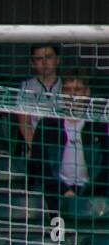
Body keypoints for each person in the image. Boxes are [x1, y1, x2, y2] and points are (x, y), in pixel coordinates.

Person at [27, 68, 109, 208]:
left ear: (86, 93)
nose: (71, 95)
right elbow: (40, 164)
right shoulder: (48, 125)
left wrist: (87, 192)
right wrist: (64, 191)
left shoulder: (98, 126)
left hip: (92, 194)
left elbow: (105, 166)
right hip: (54, 193)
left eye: (76, 90)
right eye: (67, 90)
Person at [15, 44, 63, 154]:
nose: (44, 62)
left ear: (58, 60)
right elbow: (24, 122)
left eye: (49, 57)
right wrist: (36, 149)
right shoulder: (26, 86)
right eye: (39, 58)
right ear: (32, 63)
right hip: (35, 145)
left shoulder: (67, 86)